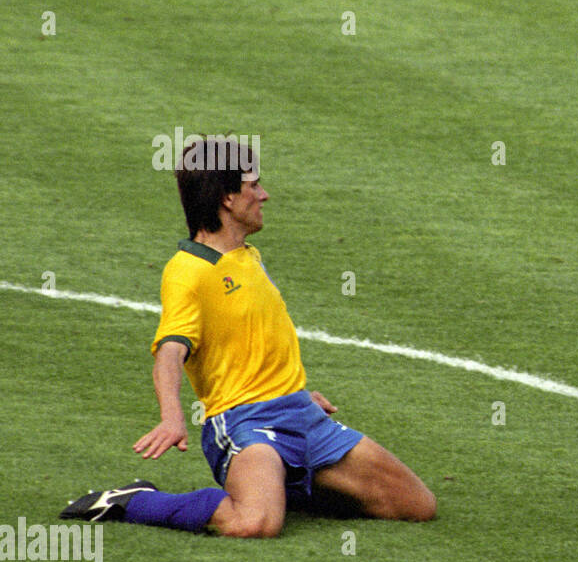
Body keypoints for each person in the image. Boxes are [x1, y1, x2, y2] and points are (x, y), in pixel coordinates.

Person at [61, 137, 437, 537]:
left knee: (416, 505)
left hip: (301, 414)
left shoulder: (248, 256)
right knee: (255, 523)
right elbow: (170, 352)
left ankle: (282, 485)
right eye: (253, 185)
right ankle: (137, 500)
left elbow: (256, 336)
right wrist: (172, 417)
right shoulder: (188, 272)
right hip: (245, 422)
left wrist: (292, 392)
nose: (264, 195)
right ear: (227, 198)